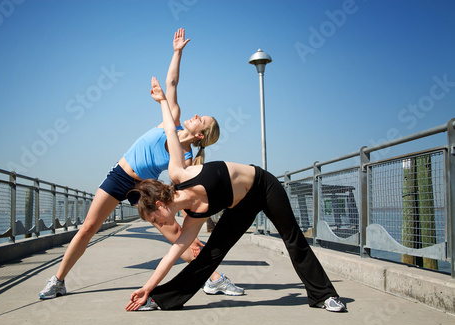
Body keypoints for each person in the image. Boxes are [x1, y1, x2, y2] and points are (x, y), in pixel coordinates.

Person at [39, 28, 243, 300]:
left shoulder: (181, 153)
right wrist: (177, 52)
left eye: (200, 120)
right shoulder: (172, 119)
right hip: (120, 175)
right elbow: (171, 83)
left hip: (144, 188)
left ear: (199, 136)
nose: (195, 115)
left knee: (177, 235)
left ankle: (214, 278)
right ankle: (58, 280)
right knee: (88, 227)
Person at [124, 77, 347, 312]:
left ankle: (324, 295)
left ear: (159, 204)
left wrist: (162, 100)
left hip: (264, 186)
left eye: (154, 219)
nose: (158, 224)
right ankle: (159, 299)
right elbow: (173, 254)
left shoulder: (179, 173)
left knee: (293, 238)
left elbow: (170, 129)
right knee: (210, 254)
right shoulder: (194, 216)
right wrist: (147, 288)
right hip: (240, 206)